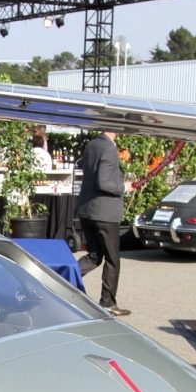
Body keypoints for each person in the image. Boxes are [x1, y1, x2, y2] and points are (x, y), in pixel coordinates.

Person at [77, 130, 129, 317]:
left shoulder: (92, 145)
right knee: (112, 259)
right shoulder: (108, 148)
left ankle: (59, 280)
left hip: (87, 210)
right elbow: (104, 183)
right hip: (104, 213)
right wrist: (124, 187)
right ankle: (107, 302)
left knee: (94, 256)